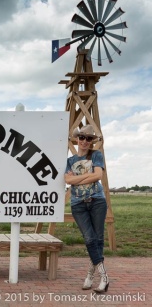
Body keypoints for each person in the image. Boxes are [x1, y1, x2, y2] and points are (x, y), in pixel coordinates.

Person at [64, 124, 109, 293]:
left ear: (91, 141)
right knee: (89, 239)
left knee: (97, 240)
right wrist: (87, 178)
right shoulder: (70, 161)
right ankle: (104, 276)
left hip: (97, 201)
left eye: (88, 139)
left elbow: (98, 175)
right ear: (77, 139)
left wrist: (78, 179)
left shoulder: (96, 155)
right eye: (81, 137)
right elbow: (68, 181)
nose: (84, 141)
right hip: (78, 204)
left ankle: (91, 275)